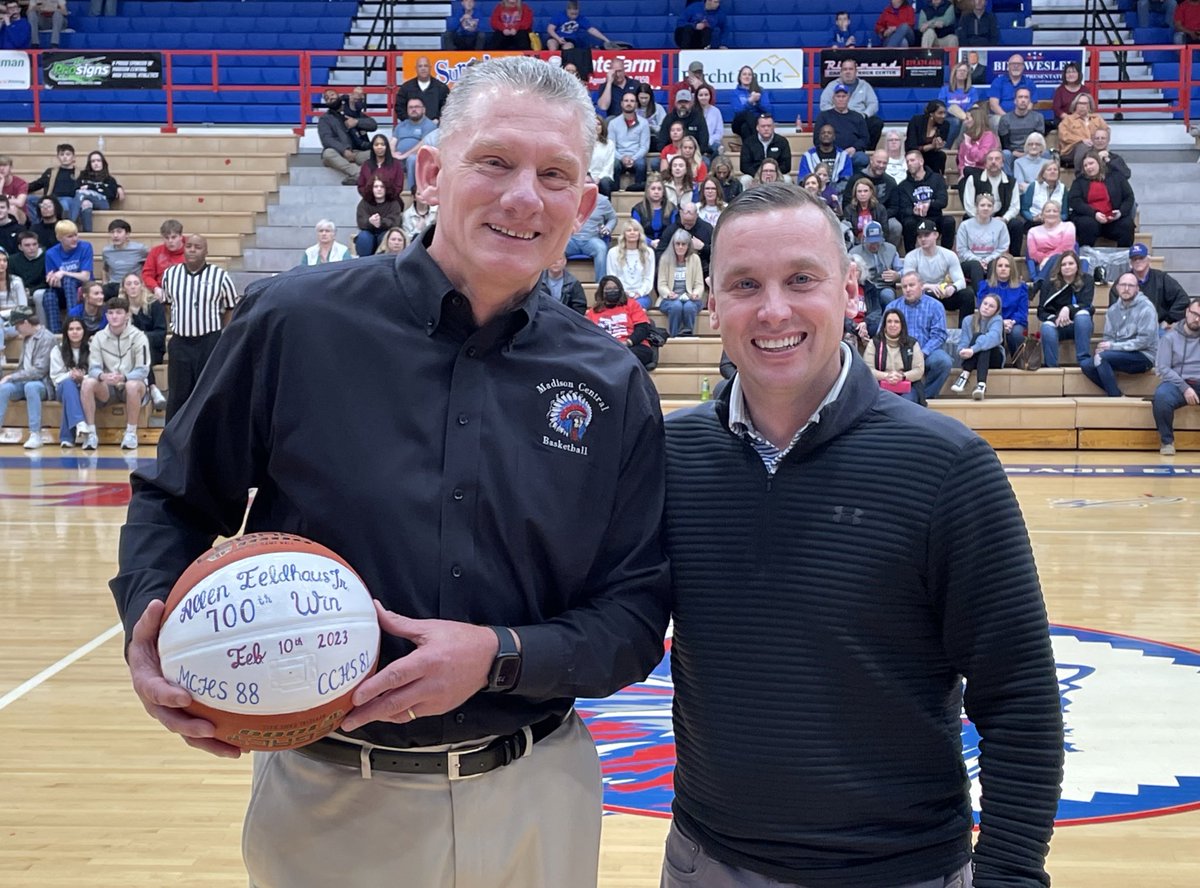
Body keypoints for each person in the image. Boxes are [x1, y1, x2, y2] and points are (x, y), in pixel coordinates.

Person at [112, 56, 669, 888]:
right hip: (327, 799)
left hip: (538, 800)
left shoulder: (611, 380)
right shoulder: (295, 323)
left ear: (583, 206)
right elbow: (176, 503)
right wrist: (152, 636)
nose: (524, 197)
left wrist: (497, 655)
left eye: (555, 175)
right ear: (431, 171)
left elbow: (632, 616)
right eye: (495, 162)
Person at [661, 183, 1063, 887]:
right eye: (745, 284)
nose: (774, 309)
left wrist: (1008, 876)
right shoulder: (669, 457)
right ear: (713, 303)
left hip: (901, 870)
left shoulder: (948, 466)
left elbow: (1020, 698)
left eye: (801, 280)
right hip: (705, 862)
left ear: (850, 290)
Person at [160, 234, 239, 421]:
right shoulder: (170, 275)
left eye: (198, 247)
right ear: (184, 249)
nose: (192, 250)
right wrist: (176, 324)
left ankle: (209, 440)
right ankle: (173, 443)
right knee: (177, 395)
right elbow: (167, 304)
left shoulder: (220, 276)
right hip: (180, 343)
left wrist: (221, 332)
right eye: (189, 246)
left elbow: (230, 307)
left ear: (206, 251)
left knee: (208, 393)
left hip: (209, 342)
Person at [81, 296, 151, 451]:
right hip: (109, 386)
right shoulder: (98, 337)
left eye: (118, 313)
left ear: (127, 315)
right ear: (106, 316)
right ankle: (91, 433)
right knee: (87, 382)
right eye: (111, 313)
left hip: (132, 385)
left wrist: (124, 377)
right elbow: (93, 368)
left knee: (132, 385)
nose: (114, 316)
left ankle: (131, 433)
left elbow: (143, 370)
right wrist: (102, 376)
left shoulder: (139, 337)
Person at [1080, 271, 1158, 396]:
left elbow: (1144, 342)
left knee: (1101, 358)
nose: (1126, 289)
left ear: (1137, 288)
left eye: (1131, 286)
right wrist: (1104, 347)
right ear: (1117, 287)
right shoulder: (1112, 310)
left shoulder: (1147, 308)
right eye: (1123, 285)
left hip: (1143, 356)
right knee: (1086, 364)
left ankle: (1114, 397)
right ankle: (1117, 393)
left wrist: (1112, 347)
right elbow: (1109, 337)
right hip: (1119, 354)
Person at [887, 269, 954, 397]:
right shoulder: (892, 307)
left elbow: (939, 335)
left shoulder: (936, 306)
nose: (907, 289)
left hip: (926, 353)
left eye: (911, 285)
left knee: (943, 361)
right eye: (904, 286)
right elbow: (883, 334)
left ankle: (925, 396)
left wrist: (921, 353)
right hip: (898, 355)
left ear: (922, 286)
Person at [0, 305, 54, 448]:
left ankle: (35, 434)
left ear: (25, 323)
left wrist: (12, 376)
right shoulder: (27, 337)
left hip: (43, 383)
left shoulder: (47, 338)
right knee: (4, 389)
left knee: (31, 387)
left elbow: (39, 371)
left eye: (17, 326)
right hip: (24, 380)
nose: (16, 330)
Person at [1152, 297, 1200, 455]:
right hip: (1178, 382)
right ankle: (1167, 442)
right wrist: (1185, 388)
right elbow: (1162, 368)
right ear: (1187, 312)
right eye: (1194, 314)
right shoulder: (1169, 337)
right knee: (1161, 397)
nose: (1197, 319)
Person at [906, 217, 974, 321]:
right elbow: (908, 283)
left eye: (926, 235)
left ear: (936, 235)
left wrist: (953, 288)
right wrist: (927, 286)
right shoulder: (911, 256)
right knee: (921, 296)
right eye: (920, 236)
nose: (923, 239)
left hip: (943, 293)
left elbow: (961, 281)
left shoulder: (949, 255)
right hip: (923, 294)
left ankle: (964, 332)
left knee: (967, 294)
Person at [1037, 250, 1095, 368]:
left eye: (1070, 263)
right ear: (1059, 267)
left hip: (1081, 325)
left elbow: (1087, 305)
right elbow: (1041, 311)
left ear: (1077, 265)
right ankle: (1052, 368)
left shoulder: (1087, 280)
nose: (1067, 267)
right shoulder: (1049, 283)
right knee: (1046, 327)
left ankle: (1083, 361)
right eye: (1063, 264)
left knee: (1082, 315)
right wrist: (1055, 319)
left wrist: (1068, 309)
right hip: (1059, 325)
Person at [1068, 150, 1136, 248]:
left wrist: (1120, 213)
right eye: (1085, 165)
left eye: (1091, 163)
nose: (1088, 167)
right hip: (1090, 218)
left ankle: (1123, 256)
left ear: (1099, 163)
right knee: (1087, 224)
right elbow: (1074, 201)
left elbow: (1129, 197)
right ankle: (1086, 257)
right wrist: (1094, 214)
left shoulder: (1116, 176)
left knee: (1127, 224)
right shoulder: (1079, 181)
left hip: (1112, 219)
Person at [123, 272, 168, 409]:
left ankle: (150, 389)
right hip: (127, 350)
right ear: (124, 288)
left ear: (142, 286)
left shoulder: (153, 304)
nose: (133, 287)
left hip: (153, 348)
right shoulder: (121, 307)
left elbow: (161, 333)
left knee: (142, 353)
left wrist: (141, 337)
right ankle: (151, 389)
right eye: (129, 284)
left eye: (136, 283)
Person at [818, 58, 884, 151]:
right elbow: (824, 105)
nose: (848, 72)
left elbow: (873, 104)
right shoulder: (832, 86)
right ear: (841, 72)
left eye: (850, 69)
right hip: (838, 120)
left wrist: (864, 115)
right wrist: (837, 113)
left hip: (859, 120)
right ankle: (834, 150)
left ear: (856, 71)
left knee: (876, 122)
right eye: (845, 69)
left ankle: (867, 149)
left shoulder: (864, 85)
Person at [863, 306, 926, 402]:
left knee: (906, 402)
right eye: (889, 321)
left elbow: (919, 370)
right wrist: (886, 376)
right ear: (884, 325)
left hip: (907, 385)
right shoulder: (874, 343)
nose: (892, 325)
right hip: (880, 385)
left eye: (896, 322)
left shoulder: (912, 344)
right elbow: (868, 369)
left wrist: (902, 376)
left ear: (902, 325)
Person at [949, 291, 1005, 399]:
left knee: (983, 341)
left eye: (991, 306)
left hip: (994, 357)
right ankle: (981, 385)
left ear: (996, 310)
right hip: (973, 358)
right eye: (985, 304)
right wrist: (962, 351)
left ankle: (966, 376)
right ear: (980, 304)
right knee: (978, 339)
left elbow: (993, 338)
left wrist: (973, 350)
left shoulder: (997, 320)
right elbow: (964, 341)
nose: (987, 307)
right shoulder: (968, 320)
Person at [896, 150, 955, 251]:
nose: (909, 164)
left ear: (921, 161)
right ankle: (910, 255)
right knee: (908, 223)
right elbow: (904, 209)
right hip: (915, 219)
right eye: (907, 162)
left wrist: (929, 205)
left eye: (912, 160)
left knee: (949, 221)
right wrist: (914, 211)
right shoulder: (903, 186)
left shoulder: (937, 179)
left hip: (935, 217)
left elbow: (943, 201)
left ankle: (946, 254)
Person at [850, 221, 903, 333]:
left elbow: (903, 271)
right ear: (864, 239)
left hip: (884, 287)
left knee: (887, 295)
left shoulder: (891, 249)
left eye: (877, 242)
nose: (874, 245)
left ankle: (889, 323)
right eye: (871, 242)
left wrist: (897, 275)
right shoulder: (854, 252)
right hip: (866, 289)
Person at [44, 220, 95, 334]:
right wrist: (53, 280)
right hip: (63, 290)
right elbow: (53, 281)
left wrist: (64, 273)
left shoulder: (85, 247)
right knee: (49, 295)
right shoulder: (51, 253)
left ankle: (74, 322)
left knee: (68, 281)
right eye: (69, 236)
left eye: (76, 235)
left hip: (84, 288)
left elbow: (86, 277)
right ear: (59, 238)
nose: (75, 239)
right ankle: (56, 334)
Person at [1128, 242, 1190, 332]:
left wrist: (1168, 320)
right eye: (1134, 259)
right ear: (1130, 263)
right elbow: (1115, 308)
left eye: (1141, 258)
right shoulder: (1123, 281)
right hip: (1130, 330)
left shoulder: (1162, 278)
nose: (1138, 261)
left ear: (1148, 260)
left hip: (1158, 329)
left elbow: (1183, 300)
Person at [955, 193, 1010, 294]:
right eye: (982, 205)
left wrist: (987, 260)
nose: (986, 208)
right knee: (976, 266)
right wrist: (979, 260)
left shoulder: (1001, 226)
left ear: (993, 208)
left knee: (993, 264)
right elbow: (962, 250)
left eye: (989, 206)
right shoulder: (965, 225)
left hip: (992, 260)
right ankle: (982, 297)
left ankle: (993, 297)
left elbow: (1003, 248)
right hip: (970, 263)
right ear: (976, 207)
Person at [976, 252, 1030, 354]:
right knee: (993, 331)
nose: (1003, 268)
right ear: (995, 269)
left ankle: (1019, 362)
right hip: (990, 321)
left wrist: (1011, 322)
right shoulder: (985, 286)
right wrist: (1000, 322)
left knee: (1017, 333)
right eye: (1000, 266)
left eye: (1007, 266)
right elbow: (983, 309)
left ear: (1012, 269)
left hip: (1014, 323)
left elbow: (1022, 312)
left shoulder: (1021, 287)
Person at [50, 316, 91, 447]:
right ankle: (79, 422)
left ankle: (67, 438)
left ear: (84, 331)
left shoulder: (92, 349)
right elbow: (55, 378)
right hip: (62, 389)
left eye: (78, 329)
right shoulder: (57, 350)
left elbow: (97, 373)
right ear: (66, 332)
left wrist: (82, 378)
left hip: (86, 387)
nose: (74, 332)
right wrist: (70, 374)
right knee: (68, 384)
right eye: (71, 329)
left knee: (72, 394)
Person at [318, 88, 373, 185]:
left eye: (332, 95)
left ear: (339, 96)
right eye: (326, 98)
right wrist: (344, 150)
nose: (330, 98)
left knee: (380, 152)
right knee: (328, 153)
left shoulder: (352, 111)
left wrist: (357, 122)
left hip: (357, 153)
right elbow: (326, 139)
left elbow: (373, 125)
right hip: (338, 153)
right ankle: (359, 173)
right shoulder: (325, 119)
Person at [656, 229, 704, 337]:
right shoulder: (665, 259)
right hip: (669, 298)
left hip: (690, 297)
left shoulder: (695, 259)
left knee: (689, 307)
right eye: (678, 244)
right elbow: (661, 284)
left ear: (688, 246)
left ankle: (688, 334)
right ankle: (674, 336)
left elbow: (699, 284)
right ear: (673, 245)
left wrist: (695, 293)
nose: (680, 247)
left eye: (684, 244)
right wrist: (668, 293)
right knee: (676, 306)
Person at [565, 184, 616, 282]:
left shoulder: (603, 201)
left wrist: (608, 228)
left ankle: (601, 284)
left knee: (601, 248)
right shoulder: (569, 198)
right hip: (571, 239)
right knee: (556, 248)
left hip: (592, 239)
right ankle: (555, 284)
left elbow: (612, 218)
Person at [816, 84, 871, 172]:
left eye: (843, 96)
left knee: (862, 158)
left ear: (848, 98)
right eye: (838, 96)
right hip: (830, 154)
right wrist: (834, 152)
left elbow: (865, 139)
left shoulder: (857, 117)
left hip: (852, 155)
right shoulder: (823, 116)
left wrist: (854, 148)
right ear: (833, 98)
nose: (841, 99)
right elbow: (817, 139)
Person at [390, 98, 438, 194]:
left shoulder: (429, 125)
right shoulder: (401, 125)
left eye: (416, 107)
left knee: (412, 159)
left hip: (421, 158)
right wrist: (392, 153)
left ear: (423, 110)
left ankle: (413, 193)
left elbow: (424, 144)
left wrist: (405, 155)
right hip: (399, 157)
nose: (413, 109)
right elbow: (393, 141)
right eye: (410, 107)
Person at [606, 219, 656, 309]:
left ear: (640, 234)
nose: (632, 233)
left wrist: (639, 293)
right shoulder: (613, 253)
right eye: (629, 230)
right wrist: (624, 292)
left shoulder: (648, 252)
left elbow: (648, 278)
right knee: (622, 308)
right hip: (620, 295)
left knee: (635, 307)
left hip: (642, 296)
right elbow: (612, 277)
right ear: (624, 234)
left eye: (635, 230)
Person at [961, 149, 1019, 224]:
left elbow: (1015, 207)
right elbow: (969, 205)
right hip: (978, 218)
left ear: (1003, 164)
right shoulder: (973, 179)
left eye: (997, 159)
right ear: (985, 164)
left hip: (1001, 218)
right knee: (967, 219)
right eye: (990, 159)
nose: (993, 162)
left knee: (1016, 224)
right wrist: (982, 218)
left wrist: (1004, 218)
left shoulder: (1011, 182)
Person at [26, 143, 80, 224]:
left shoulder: (79, 174)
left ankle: (62, 227)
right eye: (62, 154)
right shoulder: (51, 172)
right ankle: (37, 224)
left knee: (63, 204)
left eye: (68, 154)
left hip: (68, 200)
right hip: (50, 199)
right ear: (58, 157)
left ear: (73, 157)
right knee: (28, 199)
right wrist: (20, 190)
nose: (65, 157)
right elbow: (37, 184)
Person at [996, 87, 1045, 176]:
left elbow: (1039, 141)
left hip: (1032, 150)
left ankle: (1041, 181)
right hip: (1013, 152)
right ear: (1015, 100)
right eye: (1020, 97)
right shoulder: (1005, 119)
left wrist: (1028, 153)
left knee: (1046, 153)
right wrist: (1017, 153)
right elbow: (1005, 145)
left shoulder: (1038, 117)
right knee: (1005, 154)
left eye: (1026, 97)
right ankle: (1010, 182)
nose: (1023, 100)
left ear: (1030, 101)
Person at [74, 150, 124, 233]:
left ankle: (70, 223)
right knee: (85, 203)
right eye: (93, 161)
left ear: (103, 163)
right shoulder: (83, 176)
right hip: (85, 200)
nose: (96, 163)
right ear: (89, 164)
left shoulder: (109, 179)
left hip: (103, 203)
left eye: (98, 161)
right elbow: (75, 189)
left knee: (81, 193)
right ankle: (88, 232)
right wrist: (98, 189)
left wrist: (90, 187)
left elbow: (110, 194)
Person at [353, 178, 404, 259]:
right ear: (371, 189)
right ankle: (363, 263)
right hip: (369, 232)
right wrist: (370, 221)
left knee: (385, 237)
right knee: (364, 237)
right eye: (376, 187)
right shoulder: (364, 203)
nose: (379, 189)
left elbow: (396, 222)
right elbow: (361, 221)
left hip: (386, 232)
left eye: (382, 187)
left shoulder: (394, 203)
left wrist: (381, 222)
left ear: (386, 189)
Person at [1056, 92, 1108, 171]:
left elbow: (1106, 132)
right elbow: (1064, 136)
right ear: (1075, 105)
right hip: (1071, 151)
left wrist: (1098, 141)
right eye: (1079, 103)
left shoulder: (1097, 118)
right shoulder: (1068, 120)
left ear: (1089, 105)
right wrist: (1081, 140)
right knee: (1084, 146)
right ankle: (1080, 175)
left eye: (1085, 104)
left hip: (1095, 148)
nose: (1082, 106)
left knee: (1105, 153)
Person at [610, 91, 649, 192]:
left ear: (636, 104)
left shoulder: (644, 123)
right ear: (621, 103)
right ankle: (614, 195)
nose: (629, 103)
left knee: (641, 165)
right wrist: (622, 158)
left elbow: (644, 147)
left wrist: (633, 158)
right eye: (626, 101)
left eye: (632, 101)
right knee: (614, 164)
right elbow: (611, 146)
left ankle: (638, 193)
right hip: (619, 157)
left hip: (636, 157)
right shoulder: (613, 123)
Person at [1023, 199, 1075, 276]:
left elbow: (1066, 248)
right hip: (1041, 264)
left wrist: (1048, 260)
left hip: (1064, 263)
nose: (1051, 213)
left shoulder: (1068, 226)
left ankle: (1039, 283)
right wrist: (1046, 261)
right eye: (1048, 211)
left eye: (1055, 211)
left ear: (1059, 214)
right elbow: (1033, 253)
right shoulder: (1033, 231)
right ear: (1042, 214)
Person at [101, 219, 148, 299]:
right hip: (114, 285)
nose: (115, 235)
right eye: (112, 232)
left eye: (119, 232)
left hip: (132, 285)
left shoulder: (140, 249)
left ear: (127, 234)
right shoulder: (106, 251)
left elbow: (148, 265)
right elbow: (105, 269)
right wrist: (105, 283)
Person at [396, 56, 451, 123]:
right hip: (411, 128)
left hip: (435, 128)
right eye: (420, 66)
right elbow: (399, 108)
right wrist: (409, 121)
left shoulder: (442, 88)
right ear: (416, 68)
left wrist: (438, 120)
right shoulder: (406, 88)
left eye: (426, 66)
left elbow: (448, 109)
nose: (423, 68)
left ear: (430, 68)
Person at [658, 89, 709, 159]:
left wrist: (693, 153)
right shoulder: (669, 118)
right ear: (675, 103)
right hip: (672, 154)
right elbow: (662, 141)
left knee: (706, 161)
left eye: (686, 102)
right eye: (680, 102)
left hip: (694, 153)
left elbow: (704, 141)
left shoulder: (698, 117)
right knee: (655, 163)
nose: (683, 105)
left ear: (691, 103)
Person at [937, 61, 979, 146]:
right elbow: (941, 107)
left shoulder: (972, 91)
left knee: (967, 121)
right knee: (956, 118)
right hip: (949, 119)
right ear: (954, 73)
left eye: (964, 71)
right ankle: (946, 147)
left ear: (967, 75)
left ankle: (961, 147)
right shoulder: (945, 90)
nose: (961, 72)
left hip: (967, 119)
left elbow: (973, 107)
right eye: (959, 70)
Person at [142, 219, 186, 300]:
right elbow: (147, 275)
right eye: (166, 238)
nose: (170, 241)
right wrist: (155, 287)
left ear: (180, 236)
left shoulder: (190, 251)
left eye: (173, 237)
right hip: (160, 293)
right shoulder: (155, 251)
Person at [988, 55, 1038, 125]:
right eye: (1013, 64)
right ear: (1008, 67)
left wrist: (1020, 118)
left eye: (1019, 64)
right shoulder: (998, 82)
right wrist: (1007, 118)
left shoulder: (1029, 83)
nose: (1016, 66)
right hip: (1000, 116)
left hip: (1023, 116)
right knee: (997, 121)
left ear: (1023, 67)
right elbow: (993, 105)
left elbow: (1030, 105)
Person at [631, 175, 676, 251]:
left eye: (659, 189)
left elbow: (674, 229)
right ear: (647, 191)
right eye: (653, 189)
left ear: (663, 191)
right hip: (643, 246)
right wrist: (650, 242)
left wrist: (662, 243)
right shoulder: (638, 209)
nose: (656, 192)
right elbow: (636, 231)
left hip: (667, 246)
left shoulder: (672, 208)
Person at [11, 232, 48, 326]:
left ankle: (41, 328)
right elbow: (11, 279)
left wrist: (30, 291)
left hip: (40, 291)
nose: (31, 248)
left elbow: (47, 281)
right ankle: (19, 327)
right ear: (20, 247)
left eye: (34, 244)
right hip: (19, 292)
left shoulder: (47, 257)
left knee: (38, 295)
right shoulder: (12, 260)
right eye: (27, 245)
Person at [905, 100, 950, 176]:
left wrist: (938, 145)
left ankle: (937, 180)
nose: (943, 116)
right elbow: (911, 146)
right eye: (940, 113)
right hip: (915, 153)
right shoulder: (916, 121)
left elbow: (938, 147)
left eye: (944, 113)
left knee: (941, 156)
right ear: (931, 114)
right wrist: (931, 146)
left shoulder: (945, 125)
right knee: (915, 158)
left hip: (931, 155)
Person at [956, 104, 998, 187]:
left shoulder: (988, 136)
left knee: (968, 173)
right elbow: (961, 161)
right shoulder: (966, 138)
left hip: (984, 173)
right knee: (963, 181)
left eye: (968, 118)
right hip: (968, 175)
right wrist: (961, 172)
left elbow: (981, 158)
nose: (965, 122)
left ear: (976, 120)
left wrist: (970, 146)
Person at [729, 65, 774, 142]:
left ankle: (749, 150)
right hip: (738, 123)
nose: (747, 76)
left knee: (745, 128)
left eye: (749, 74)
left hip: (754, 123)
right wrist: (750, 101)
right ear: (739, 77)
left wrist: (757, 102)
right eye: (744, 74)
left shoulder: (760, 91)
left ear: (752, 77)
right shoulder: (735, 93)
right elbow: (737, 111)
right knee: (747, 114)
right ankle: (757, 142)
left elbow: (768, 109)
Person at [357, 133, 406, 203]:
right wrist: (373, 198)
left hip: (391, 201)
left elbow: (399, 186)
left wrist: (384, 198)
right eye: (376, 145)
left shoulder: (396, 164)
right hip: (370, 202)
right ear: (372, 147)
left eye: (382, 144)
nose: (379, 147)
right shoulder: (366, 165)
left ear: (387, 147)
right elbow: (361, 186)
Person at [841, 177, 888, 247]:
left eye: (865, 191)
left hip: (876, 242)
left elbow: (885, 231)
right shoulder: (849, 209)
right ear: (855, 193)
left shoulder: (880, 209)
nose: (862, 194)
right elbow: (848, 233)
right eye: (859, 191)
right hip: (856, 244)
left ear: (871, 192)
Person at [545, 1, 609, 52]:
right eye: (572, 14)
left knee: (568, 49)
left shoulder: (581, 18)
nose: (574, 16)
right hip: (556, 37)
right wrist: (558, 38)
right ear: (567, 10)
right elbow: (550, 29)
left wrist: (606, 40)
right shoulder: (559, 16)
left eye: (576, 14)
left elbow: (591, 30)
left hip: (570, 40)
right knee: (552, 45)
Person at [1050, 61, 1085, 132]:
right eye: (1068, 72)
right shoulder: (1060, 90)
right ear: (1065, 75)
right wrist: (1068, 118)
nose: (1071, 74)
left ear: (1079, 74)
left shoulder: (1085, 90)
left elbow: (1088, 107)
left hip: (1081, 119)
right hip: (1064, 120)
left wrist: (1077, 119)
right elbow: (1056, 108)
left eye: (1074, 72)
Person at [589, 115, 616, 197]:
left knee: (604, 183)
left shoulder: (609, 144)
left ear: (602, 127)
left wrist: (599, 178)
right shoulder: (583, 144)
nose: (596, 127)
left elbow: (609, 164)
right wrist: (590, 177)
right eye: (593, 124)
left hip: (604, 176)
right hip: (588, 176)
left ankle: (606, 208)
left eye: (599, 124)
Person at [694, 85, 723, 159]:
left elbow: (719, 132)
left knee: (718, 148)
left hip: (711, 143)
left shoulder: (716, 111)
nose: (704, 97)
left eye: (706, 95)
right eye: (701, 95)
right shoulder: (692, 112)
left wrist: (709, 141)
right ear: (697, 97)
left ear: (710, 96)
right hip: (696, 144)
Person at [0, 153, 30, 224]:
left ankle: (15, 232)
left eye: (4, 165)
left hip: (21, 216)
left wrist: (5, 200)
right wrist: (1, 184)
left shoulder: (20, 183)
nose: (1, 168)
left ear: (11, 167)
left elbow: (20, 203)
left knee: (11, 208)